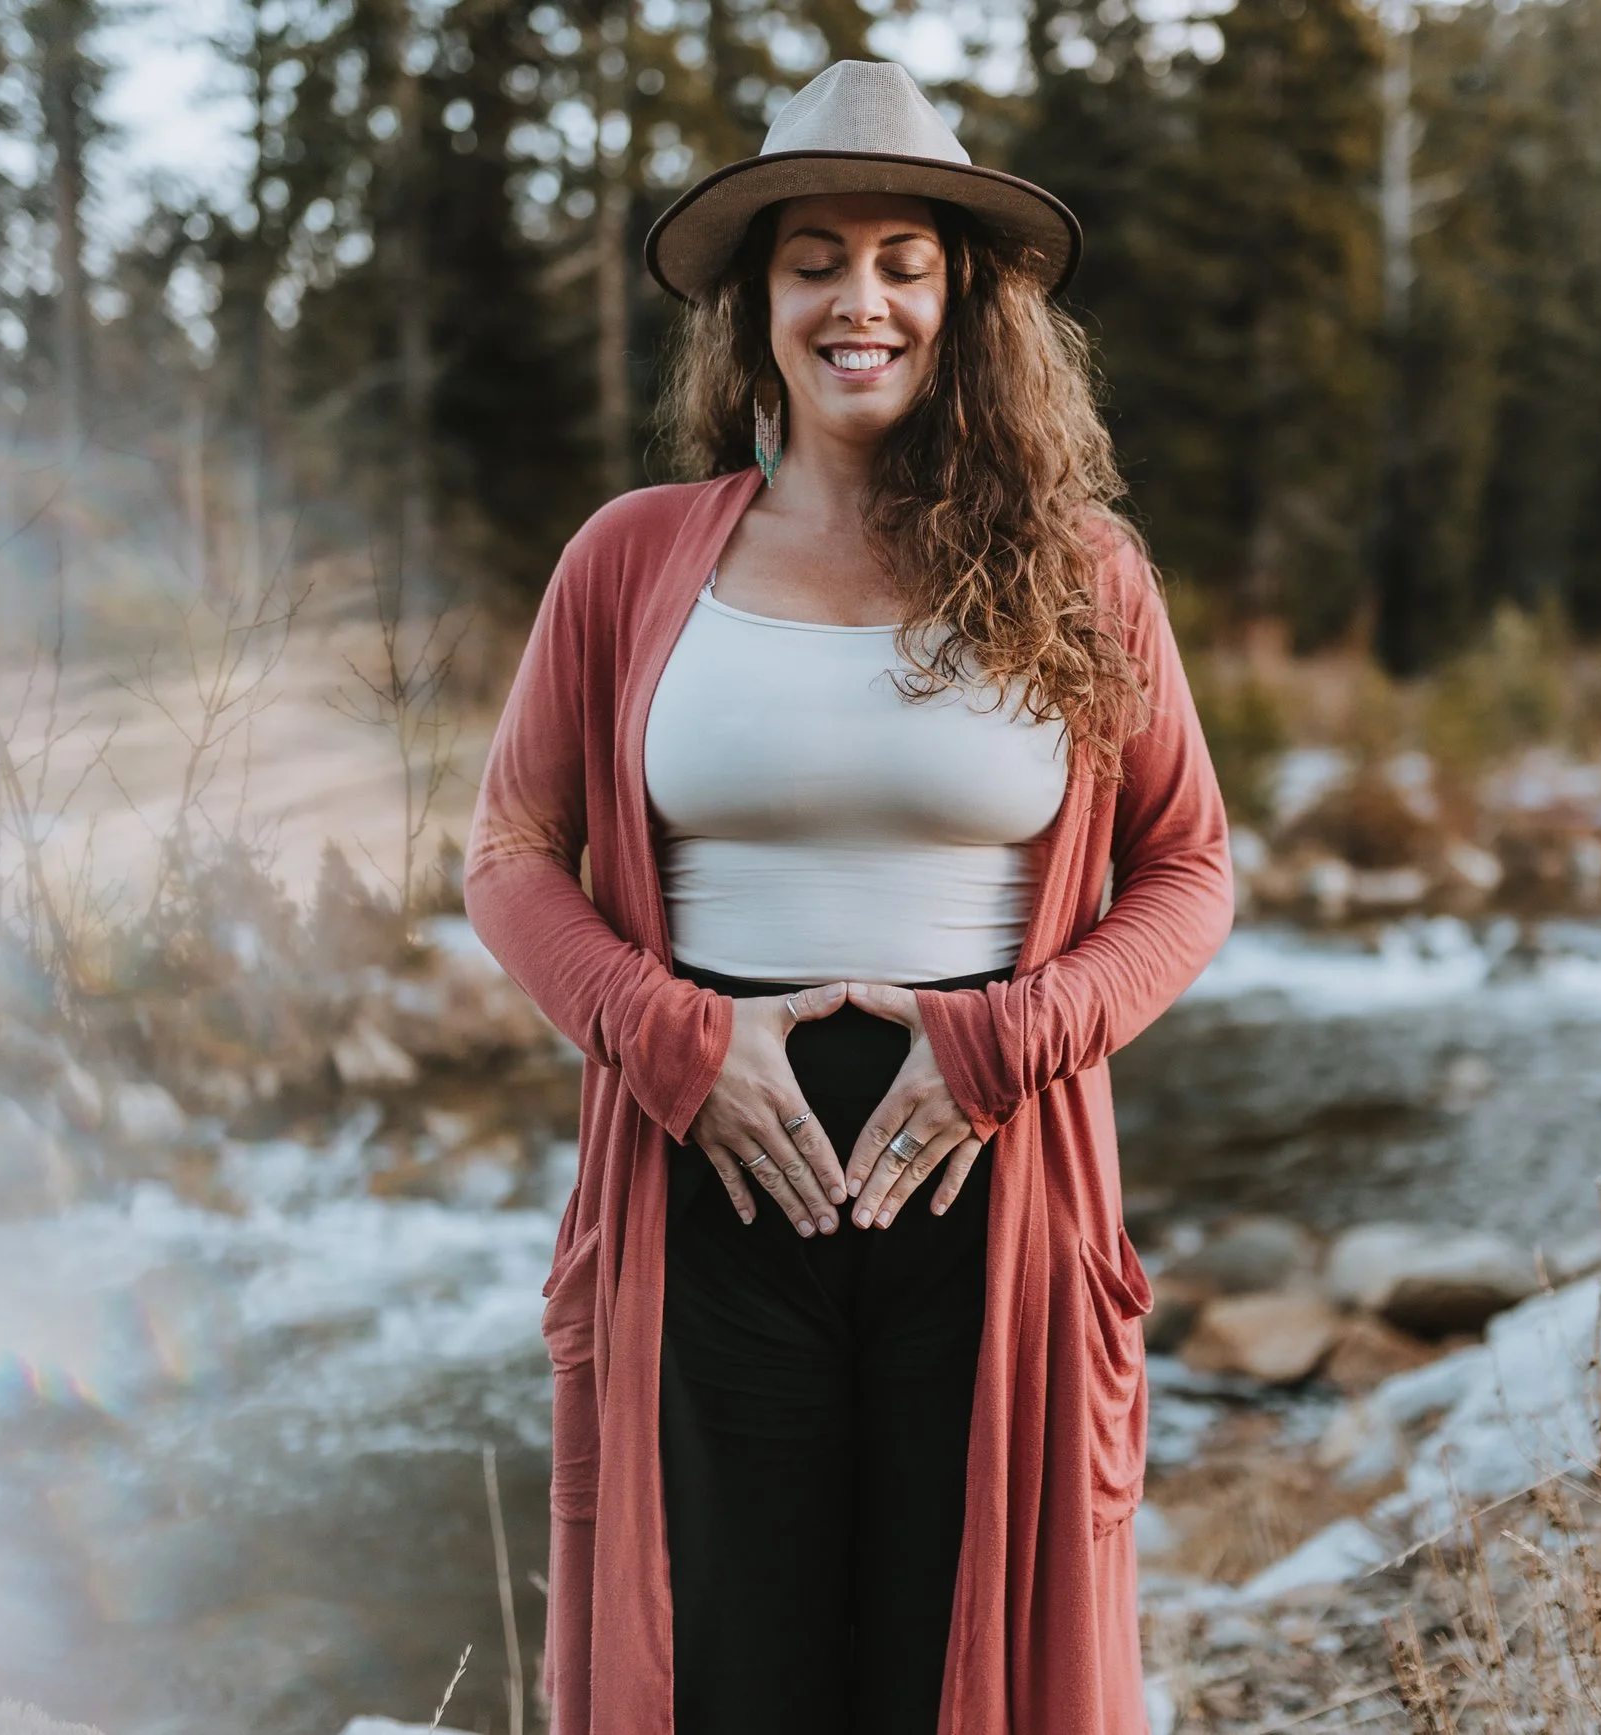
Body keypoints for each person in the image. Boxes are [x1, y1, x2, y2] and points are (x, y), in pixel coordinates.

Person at [464, 59, 1234, 1735]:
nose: (858, 301)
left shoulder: (1082, 573)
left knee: (949, 1677)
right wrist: (668, 1037)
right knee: (729, 1676)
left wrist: (1011, 1040)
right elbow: (511, 852)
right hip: (703, 1173)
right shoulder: (630, 557)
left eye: (903, 261)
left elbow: (1188, 868)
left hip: (990, 1172)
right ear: (757, 306)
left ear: (964, 303)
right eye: (814, 261)